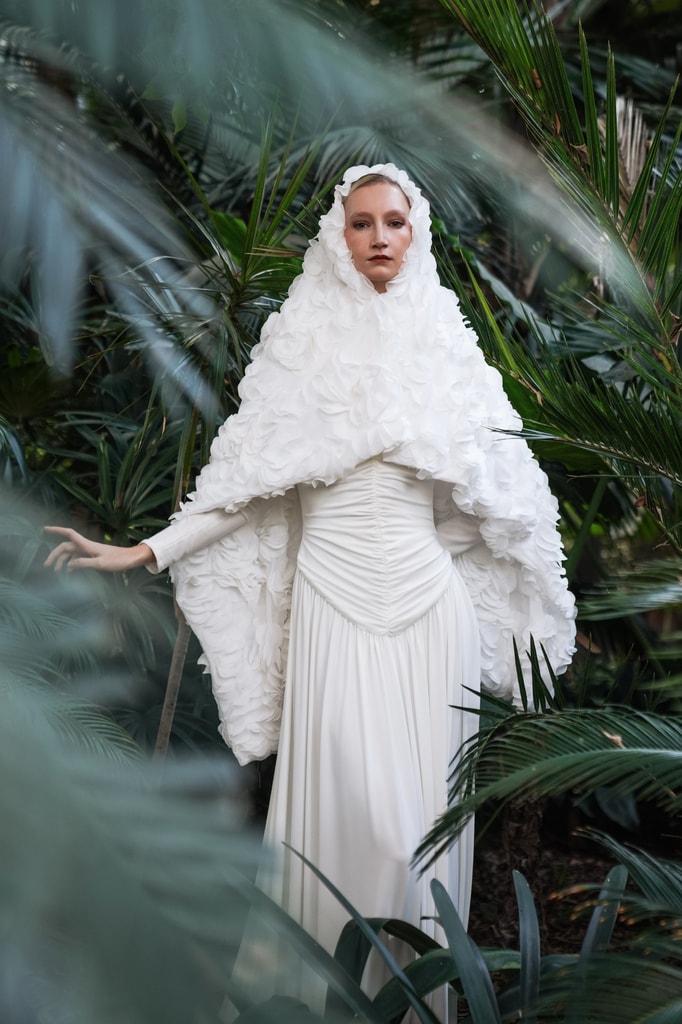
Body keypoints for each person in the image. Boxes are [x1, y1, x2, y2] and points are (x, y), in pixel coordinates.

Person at [46, 163, 576, 1008]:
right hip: (332, 606)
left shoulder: (446, 349)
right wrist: (140, 552)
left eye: (394, 223)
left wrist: (472, 561)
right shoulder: (301, 349)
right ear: (339, 235)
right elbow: (244, 487)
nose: (379, 238)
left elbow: (493, 501)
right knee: (340, 824)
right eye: (362, 223)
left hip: (427, 616)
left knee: (414, 838)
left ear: (417, 233)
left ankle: (413, 1002)